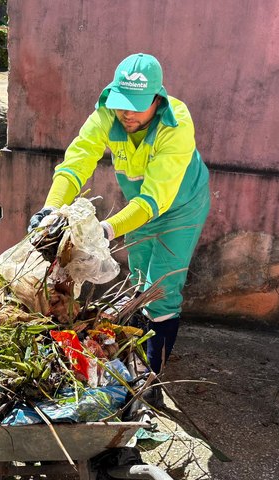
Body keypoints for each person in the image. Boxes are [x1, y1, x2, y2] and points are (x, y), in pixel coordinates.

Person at [28, 53, 210, 405]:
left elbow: (154, 200)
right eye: (122, 105)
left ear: (158, 99)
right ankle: (135, 353)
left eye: (137, 107)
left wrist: (106, 231)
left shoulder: (177, 125)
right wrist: (51, 208)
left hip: (180, 208)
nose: (127, 114)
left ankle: (151, 380)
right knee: (140, 276)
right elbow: (77, 160)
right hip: (137, 206)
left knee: (162, 287)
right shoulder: (107, 114)